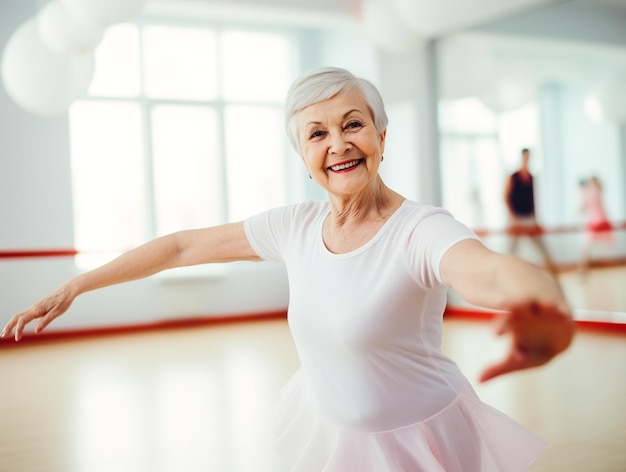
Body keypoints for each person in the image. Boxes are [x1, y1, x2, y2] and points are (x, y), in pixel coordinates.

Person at [2, 67, 574, 472]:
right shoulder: (294, 226)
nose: (337, 144)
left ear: (380, 136)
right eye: (316, 134)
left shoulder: (419, 228)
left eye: (352, 124)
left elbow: (491, 273)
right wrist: (78, 284)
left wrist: (545, 304)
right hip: (334, 427)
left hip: (423, 437)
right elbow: (180, 247)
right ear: (303, 156)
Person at [504, 148, 558, 277]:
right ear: (522, 158)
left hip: (529, 217)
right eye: (526, 157)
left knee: (541, 245)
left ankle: (553, 272)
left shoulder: (532, 177)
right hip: (516, 218)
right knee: (512, 249)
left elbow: (533, 199)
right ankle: (505, 274)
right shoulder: (513, 177)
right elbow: (506, 197)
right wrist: (512, 218)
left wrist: (535, 219)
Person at [579, 175, 613, 276]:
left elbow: (582, 207)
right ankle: (583, 270)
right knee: (587, 249)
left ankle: (583, 270)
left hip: (599, 222)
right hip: (598, 222)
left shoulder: (590, 193)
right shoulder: (594, 192)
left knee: (588, 249)